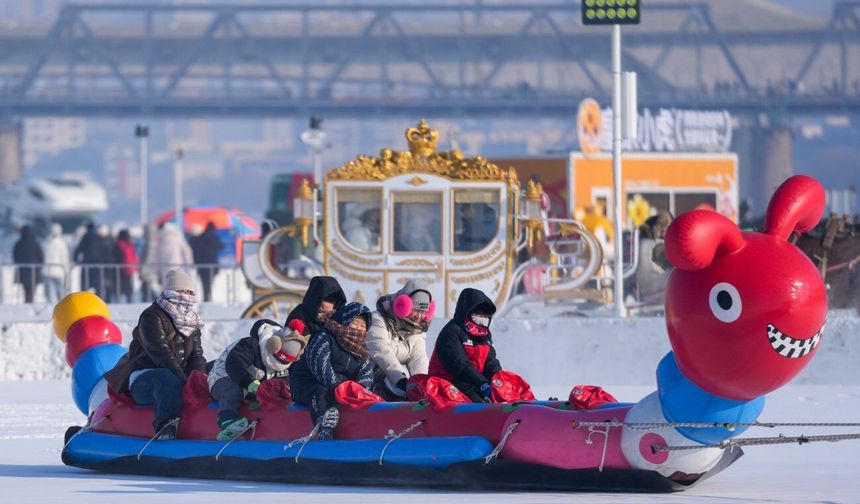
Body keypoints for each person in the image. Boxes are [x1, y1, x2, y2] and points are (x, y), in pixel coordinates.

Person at [104, 268, 206, 440]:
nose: (186, 296)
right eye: (182, 291)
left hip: (176, 373)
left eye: (190, 292)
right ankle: (166, 426)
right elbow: (161, 354)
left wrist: (199, 377)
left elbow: (196, 354)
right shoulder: (152, 317)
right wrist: (184, 381)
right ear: (170, 292)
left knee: (215, 368)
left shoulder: (191, 321)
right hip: (146, 377)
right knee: (166, 379)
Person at [208, 319, 310, 440]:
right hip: (224, 376)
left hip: (255, 384)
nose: (281, 363)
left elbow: (283, 378)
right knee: (232, 388)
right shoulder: (250, 345)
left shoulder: (285, 363)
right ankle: (226, 420)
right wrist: (250, 384)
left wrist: (283, 389)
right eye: (279, 359)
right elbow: (234, 364)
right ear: (274, 345)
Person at [289, 302, 374, 440]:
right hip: (307, 383)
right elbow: (320, 365)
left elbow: (367, 373)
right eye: (355, 323)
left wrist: (359, 392)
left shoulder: (361, 351)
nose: (358, 328)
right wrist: (339, 388)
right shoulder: (324, 337)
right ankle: (323, 426)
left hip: (340, 388)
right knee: (319, 391)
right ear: (345, 321)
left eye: (363, 326)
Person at [428, 288, 501, 403]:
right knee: (479, 402)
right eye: (478, 314)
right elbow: (458, 365)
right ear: (467, 312)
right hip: (448, 383)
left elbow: (491, 363)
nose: (483, 318)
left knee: (501, 395)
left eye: (485, 315)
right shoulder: (451, 332)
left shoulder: (484, 335)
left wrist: (498, 381)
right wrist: (482, 382)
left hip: (474, 382)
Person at [366, 279, 432, 399]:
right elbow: (383, 353)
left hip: (395, 382)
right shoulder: (377, 319)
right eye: (416, 310)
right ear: (403, 305)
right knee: (396, 389)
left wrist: (421, 385)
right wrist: (401, 381)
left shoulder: (416, 328)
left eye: (423, 312)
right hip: (371, 379)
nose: (419, 316)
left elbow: (418, 358)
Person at [190, 222, 224, 302]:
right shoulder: (213, 236)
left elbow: (193, 249)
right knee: (209, 282)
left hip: (201, 264)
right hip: (212, 263)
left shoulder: (198, 238)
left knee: (204, 282)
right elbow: (221, 246)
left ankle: (206, 297)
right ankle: (208, 297)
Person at [74, 222, 107, 296]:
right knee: (98, 287)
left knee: (84, 287)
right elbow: (104, 251)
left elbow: (78, 249)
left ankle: (83, 302)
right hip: (97, 266)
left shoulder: (85, 237)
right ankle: (98, 302)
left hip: (86, 264)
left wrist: (76, 260)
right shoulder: (98, 238)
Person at [13, 225, 44, 303]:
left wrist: (19, 263)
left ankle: (28, 301)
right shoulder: (35, 243)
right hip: (34, 270)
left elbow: (15, 256)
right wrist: (39, 267)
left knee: (26, 289)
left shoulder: (19, 243)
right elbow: (41, 256)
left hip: (23, 270)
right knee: (32, 289)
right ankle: (29, 302)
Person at [42, 223, 70, 303]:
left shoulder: (47, 242)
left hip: (51, 269)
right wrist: (66, 268)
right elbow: (64, 257)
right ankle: (60, 303)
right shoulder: (60, 243)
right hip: (56, 270)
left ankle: (55, 303)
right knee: (57, 289)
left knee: (53, 289)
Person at [115, 229, 140, 303]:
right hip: (130, 268)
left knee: (120, 286)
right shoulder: (130, 244)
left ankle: (119, 302)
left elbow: (118, 257)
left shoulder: (120, 244)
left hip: (122, 269)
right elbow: (133, 256)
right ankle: (129, 300)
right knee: (128, 287)